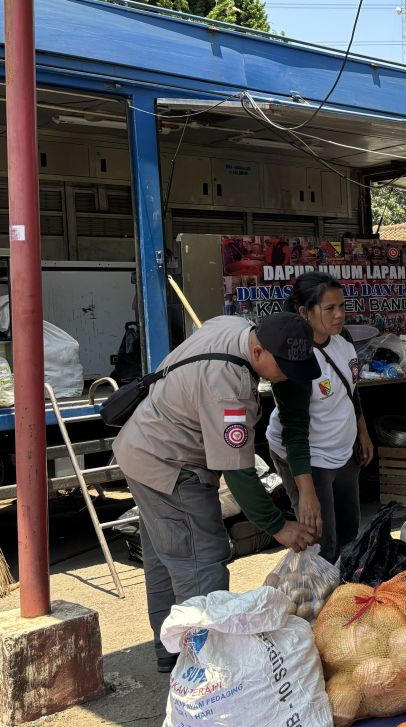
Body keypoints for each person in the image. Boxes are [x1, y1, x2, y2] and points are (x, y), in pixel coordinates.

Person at [113, 313, 321, 671]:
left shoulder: (232, 325)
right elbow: (238, 473)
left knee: (166, 558)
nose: (287, 375)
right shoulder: (230, 386)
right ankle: (205, 667)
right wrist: (278, 527)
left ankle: (171, 652)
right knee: (202, 560)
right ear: (257, 352)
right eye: (283, 367)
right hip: (170, 465)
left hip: (141, 449)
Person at [267, 272, 374, 564]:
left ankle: (345, 599)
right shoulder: (295, 358)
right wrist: (306, 492)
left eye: (342, 306)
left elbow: (350, 389)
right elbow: (295, 432)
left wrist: (362, 431)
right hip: (308, 458)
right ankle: (318, 606)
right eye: (329, 309)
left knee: (349, 533)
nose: (339, 315)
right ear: (304, 312)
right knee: (321, 545)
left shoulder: (344, 338)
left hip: (344, 452)